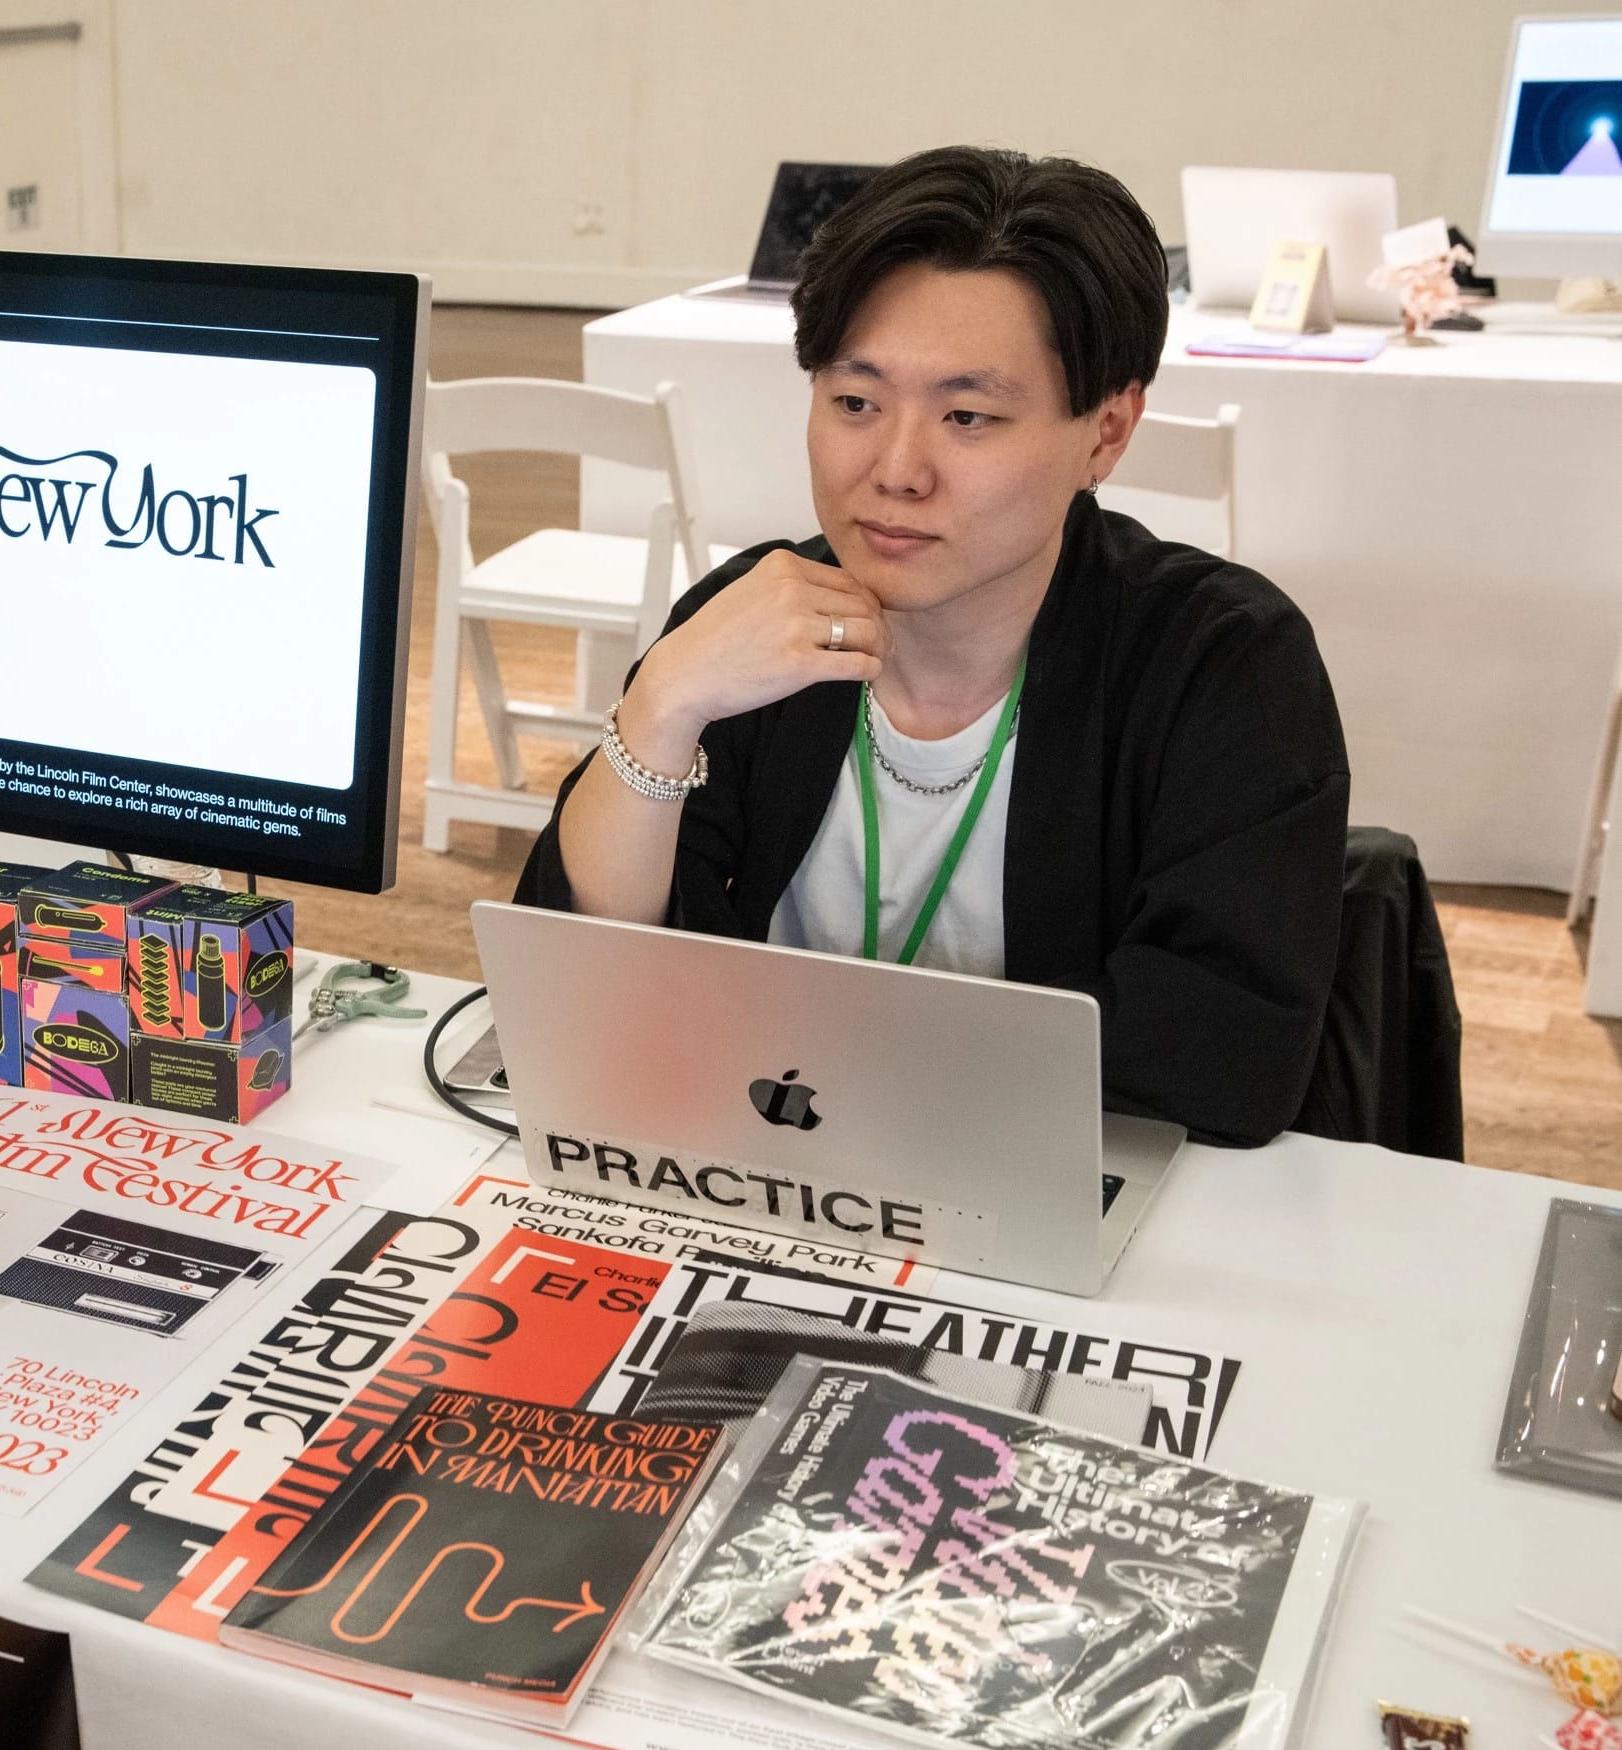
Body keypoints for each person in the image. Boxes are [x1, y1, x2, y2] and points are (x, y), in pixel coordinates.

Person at [520, 145, 1348, 1147]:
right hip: (754, 1170)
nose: (895, 471)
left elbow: (1227, 1062)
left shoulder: (1221, 664)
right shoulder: (748, 622)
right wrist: (660, 709)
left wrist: (807, 1039)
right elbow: (581, 970)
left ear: (1107, 429)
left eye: (967, 416)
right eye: (854, 402)